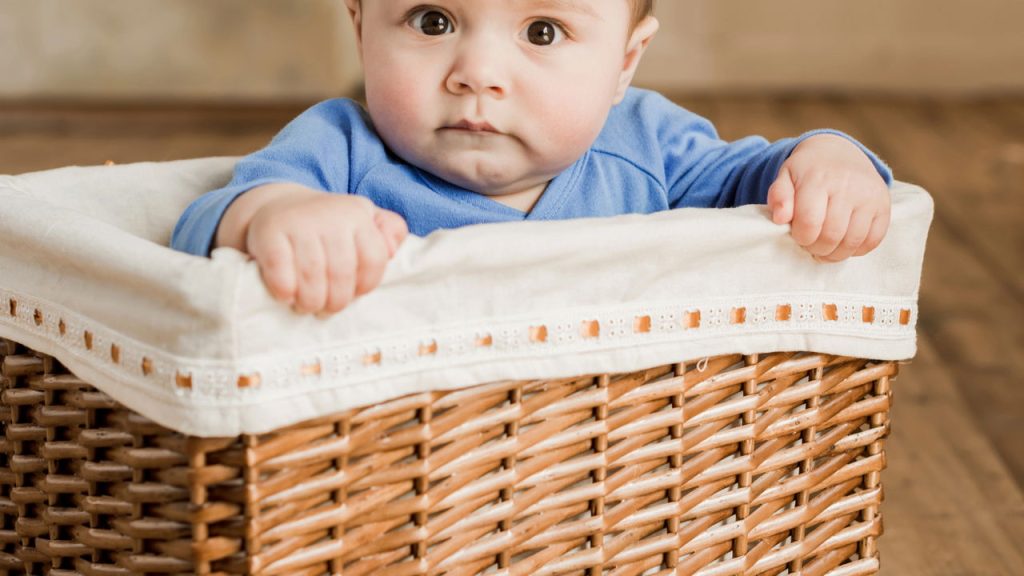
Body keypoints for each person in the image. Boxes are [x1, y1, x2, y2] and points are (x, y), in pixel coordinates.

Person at [172, 0, 893, 316]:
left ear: (625, 61)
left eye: (542, 31)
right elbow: (206, 221)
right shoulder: (340, 148)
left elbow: (754, 177)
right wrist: (279, 214)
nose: (478, 73)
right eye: (433, 21)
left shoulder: (646, 143)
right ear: (361, 30)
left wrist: (828, 157)